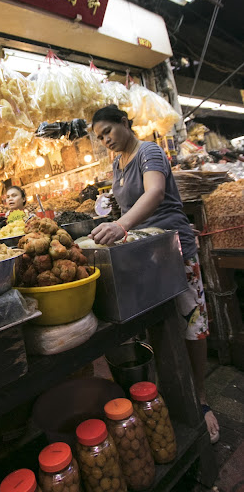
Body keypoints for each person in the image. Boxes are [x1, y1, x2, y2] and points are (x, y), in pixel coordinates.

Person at [90, 105, 219, 444]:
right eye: (100, 138)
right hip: (145, 255)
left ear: (124, 122)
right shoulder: (117, 164)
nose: (106, 140)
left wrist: (120, 224)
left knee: (193, 324)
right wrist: (109, 220)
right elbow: (126, 206)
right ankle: (167, 390)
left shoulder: (148, 151)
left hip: (175, 250)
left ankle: (201, 398)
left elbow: (155, 193)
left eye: (108, 132)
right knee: (161, 325)